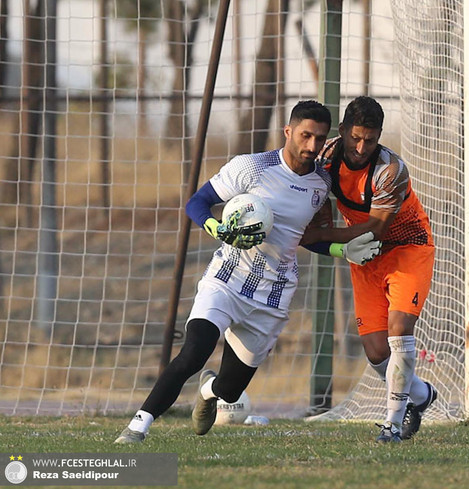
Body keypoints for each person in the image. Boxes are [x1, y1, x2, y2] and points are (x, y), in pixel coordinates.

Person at [115, 100, 380, 443]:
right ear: (288, 131)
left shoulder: (320, 185)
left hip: (273, 293)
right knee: (193, 351)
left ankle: (209, 391)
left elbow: (302, 239)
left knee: (230, 390)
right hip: (228, 278)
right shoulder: (252, 168)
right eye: (304, 135)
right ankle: (138, 425)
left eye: (319, 138)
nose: (311, 146)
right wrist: (217, 228)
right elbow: (197, 202)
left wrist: (342, 249)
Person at [302, 96, 438, 443]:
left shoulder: (390, 170)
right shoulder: (325, 160)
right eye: (356, 138)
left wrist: (323, 235)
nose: (361, 147)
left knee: (399, 329)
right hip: (365, 256)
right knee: (377, 351)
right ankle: (420, 396)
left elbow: (376, 227)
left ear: (379, 137)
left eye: (371, 140)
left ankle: (392, 424)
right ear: (343, 130)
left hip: (408, 247)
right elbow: (319, 207)